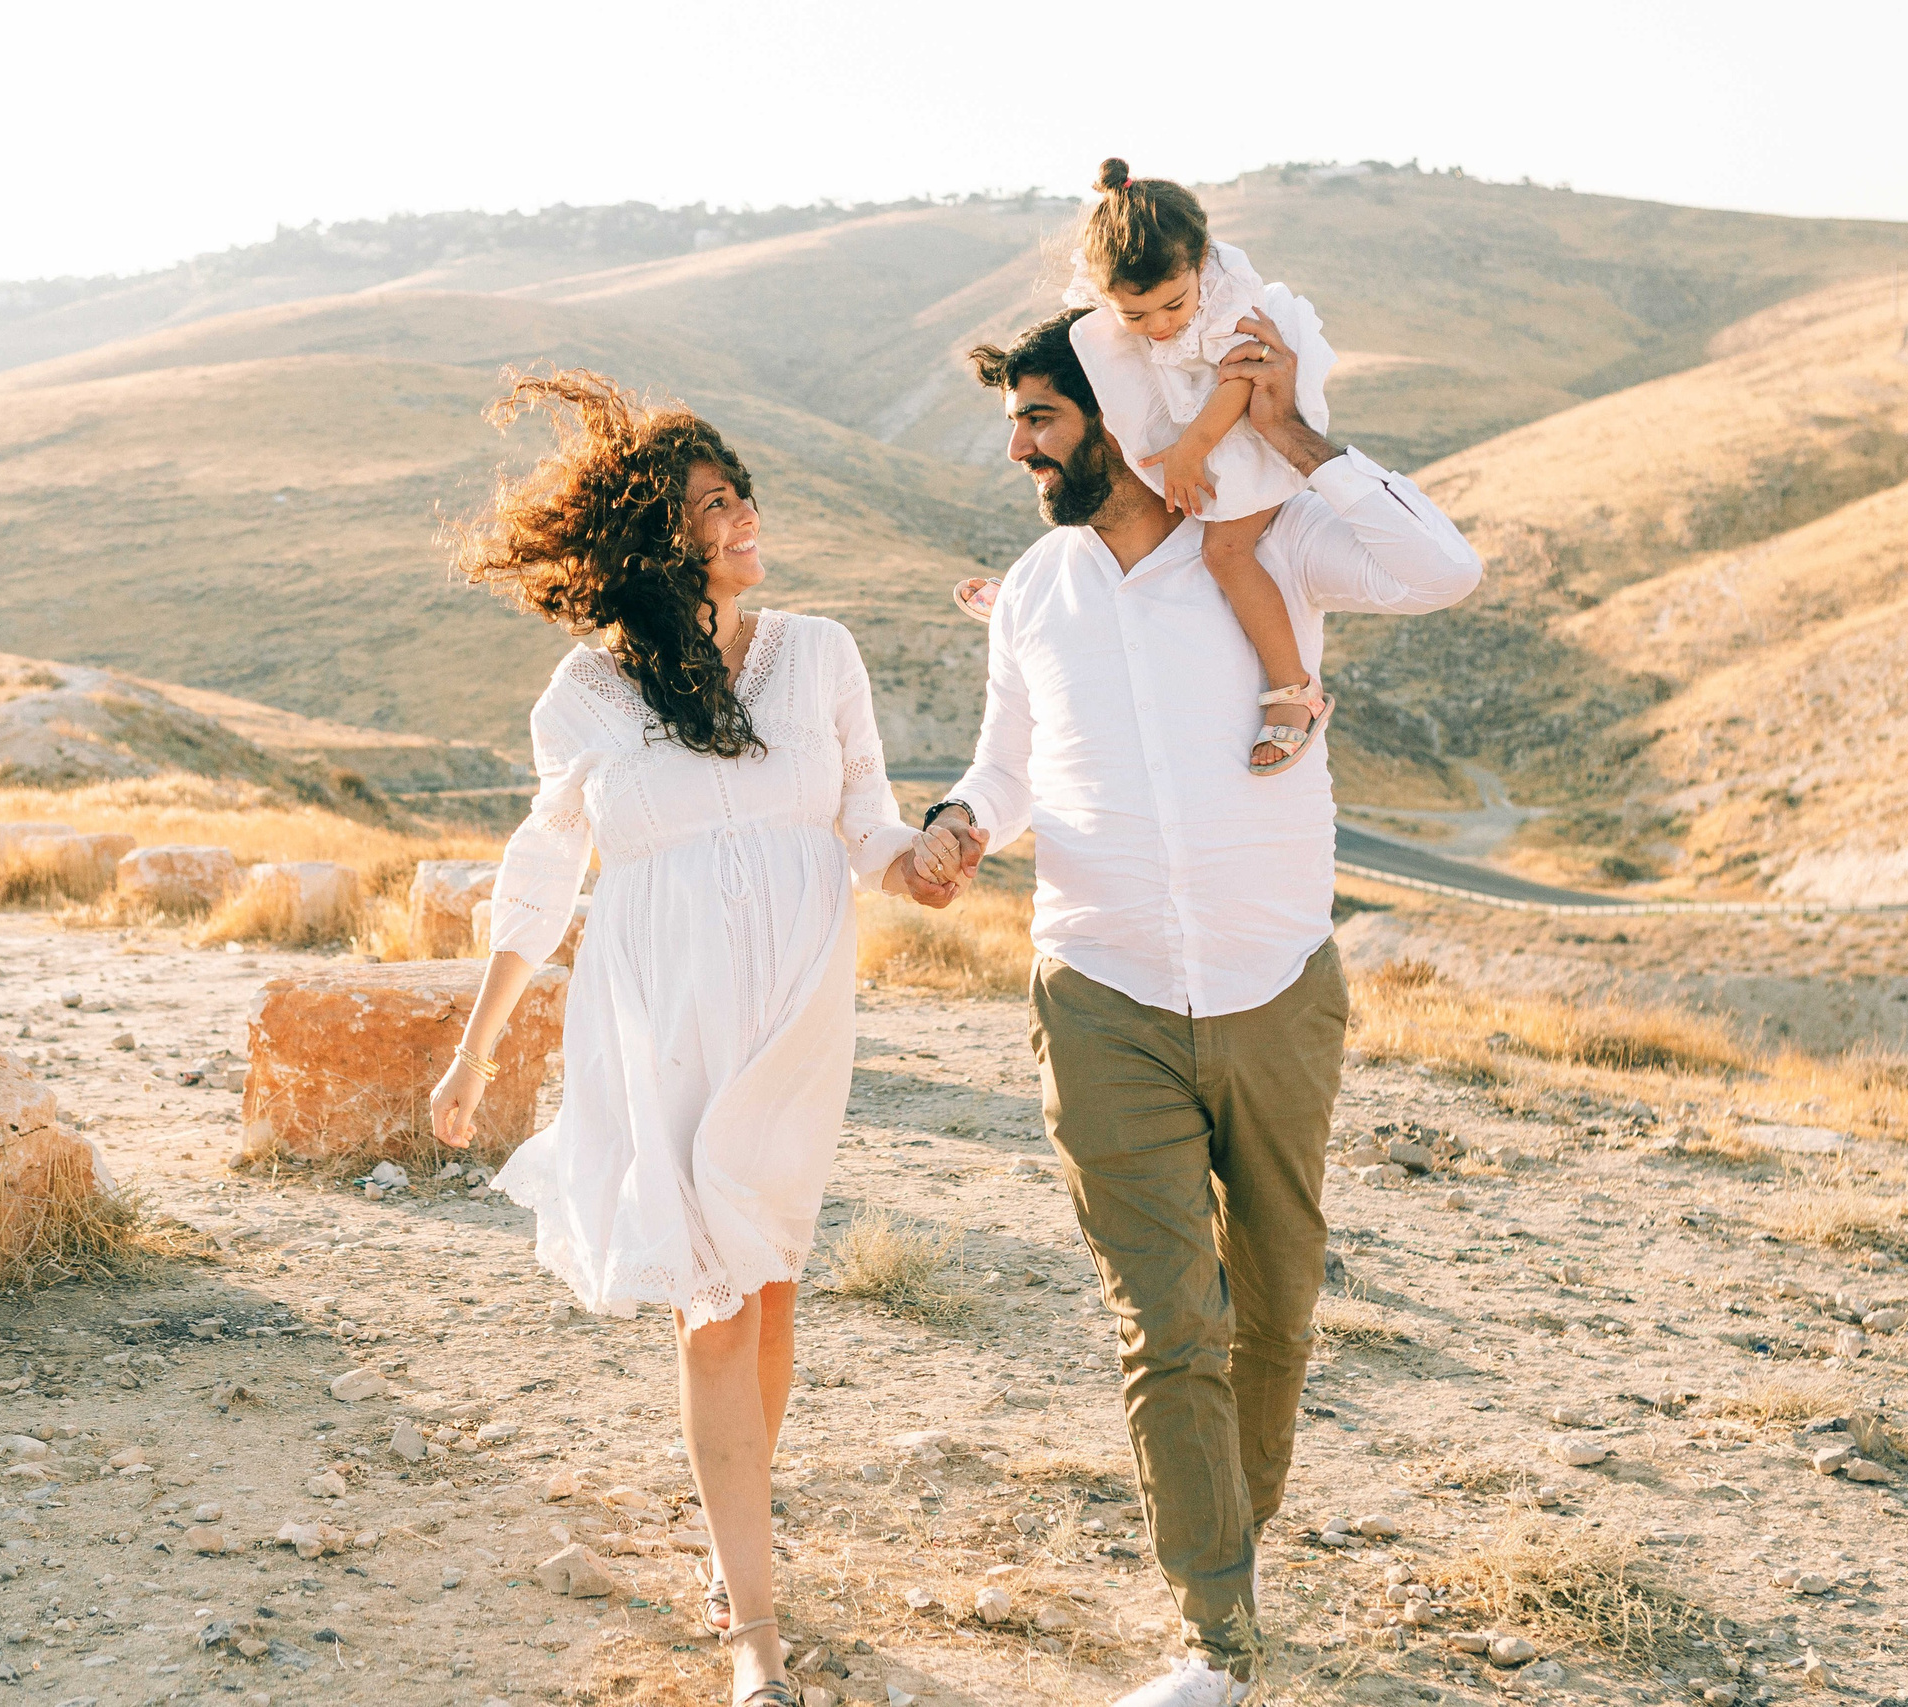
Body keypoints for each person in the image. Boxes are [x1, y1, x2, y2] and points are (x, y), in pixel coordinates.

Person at [920, 310, 1482, 1707]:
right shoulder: (1041, 591)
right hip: (1099, 987)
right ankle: (1215, 1639)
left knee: (1276, 1308)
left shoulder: (1269, 544)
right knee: (1168, 1321)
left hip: (1276, 980)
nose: (1021, 446)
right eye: (1018, 422)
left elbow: (1444, 566)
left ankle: (1235, 1528)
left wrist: (1287, 430)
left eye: (1042, 417)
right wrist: (954, 824)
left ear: (1112, 409)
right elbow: (1007, 767)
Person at [426, 370, 965, 1707]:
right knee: (715, 1303)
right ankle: (754, 1636)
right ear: (655, 542)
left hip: (794, 1014)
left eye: (739, 494)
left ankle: (739, 1545)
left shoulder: (819, 652)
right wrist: (476, 1046)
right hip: (661, 1019)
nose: (743, 517)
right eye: (712, 504)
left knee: (768, 1285)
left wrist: (925, 858)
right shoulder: (591, 693)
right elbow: (544, 869)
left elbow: (866, 819)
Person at [953, 159, 1340, 778]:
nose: (1159, 328)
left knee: (1225, 553)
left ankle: (1295, 692)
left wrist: (1190, 450)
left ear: (1199, 263)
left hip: (1246, 442)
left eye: (1171, 307)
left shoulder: (1225, 301)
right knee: (1094, 472)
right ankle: (1034, 601)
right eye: (1135, 318)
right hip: (1193, 430)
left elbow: (1242, 378)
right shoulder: (1120, 296)